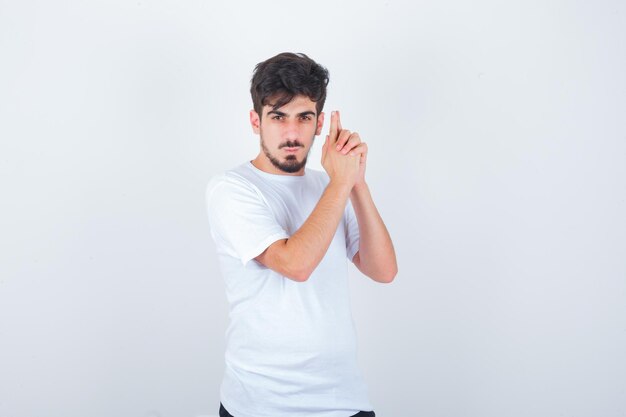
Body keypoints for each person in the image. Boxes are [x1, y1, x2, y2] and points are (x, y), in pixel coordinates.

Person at [205, 52, 397, 417]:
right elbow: (295, 264)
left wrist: (357, 183)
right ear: (255, 121)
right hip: (261, 404)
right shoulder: (231, 189)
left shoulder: (330, 186)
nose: (292, 133)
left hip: (343, 400)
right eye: (278, 117)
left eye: (303, 118)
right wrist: (340, 184)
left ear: (319, 123)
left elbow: (383, 270)